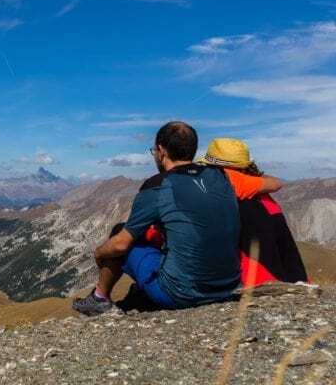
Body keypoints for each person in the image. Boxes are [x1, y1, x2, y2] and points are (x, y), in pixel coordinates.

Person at [73, 121, 241, 316]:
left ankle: (99, 299)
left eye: (153, 150)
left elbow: (120, 245)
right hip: (229, 285)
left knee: (120, 231)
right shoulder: (219, 176)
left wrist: (99, 253)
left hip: (181, 294)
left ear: (161, 151)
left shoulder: (158, 185)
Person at [197, 138, 308, 286]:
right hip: (294, 277)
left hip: (255, 280)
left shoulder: (225, 183)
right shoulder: (260, 191)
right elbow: (276, 183)